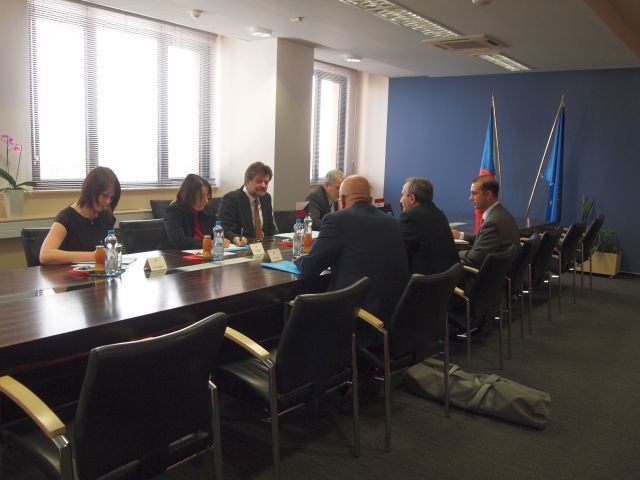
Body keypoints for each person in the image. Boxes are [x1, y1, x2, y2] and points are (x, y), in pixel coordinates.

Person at [294, 175, 409, 346]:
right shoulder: (393, 222)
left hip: (357, 318)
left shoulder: (336, 220)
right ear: (370, 199)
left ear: (341, 199)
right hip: (395, 317)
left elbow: (311, 267)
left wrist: (299, 260)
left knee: (298, 311)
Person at [40, 166, 121, 265]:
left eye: (111, 197)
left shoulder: (107, 218)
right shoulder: (66, 218)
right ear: (90, 190)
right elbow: (45, 255)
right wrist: (94, 255)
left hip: (100, 273)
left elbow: (111, 252)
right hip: (69, 274)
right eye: (104, 195)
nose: (108, 201)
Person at [451, 175, 519, 267]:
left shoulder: (493, 222)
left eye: (474, 193)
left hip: (491, 273)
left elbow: (475, 257)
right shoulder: (500, 213)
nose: (470, 198)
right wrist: (460, 235)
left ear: (488, 195)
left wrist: (455, 252)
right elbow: (483, 240)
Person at [398, 177, 459, 274]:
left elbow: (396, 248)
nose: (401, 200)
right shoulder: (439, 213)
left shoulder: (409, 216)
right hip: (449, 278)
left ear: (412, 198)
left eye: (403, 195)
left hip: (425, 280)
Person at [218, 161, 278, 246]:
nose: (263, 185)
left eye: (266, 182)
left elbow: (270, 227)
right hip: (243, 247)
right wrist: (236, 238)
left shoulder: (266, 198)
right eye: (259, 181)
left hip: (265, 246)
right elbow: (225, 230)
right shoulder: (231, 199)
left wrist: (280, 239)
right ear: (247, 181)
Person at [164, 174, 229, 250]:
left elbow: (218, 230)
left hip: (207, 252)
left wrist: (228, 238)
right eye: (201, 197)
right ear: (189, 196)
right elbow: (178, 240)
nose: (206, 200)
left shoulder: (208, 208)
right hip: (181, 254)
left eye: (207, 196)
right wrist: (209, 243)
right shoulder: (174, 210)